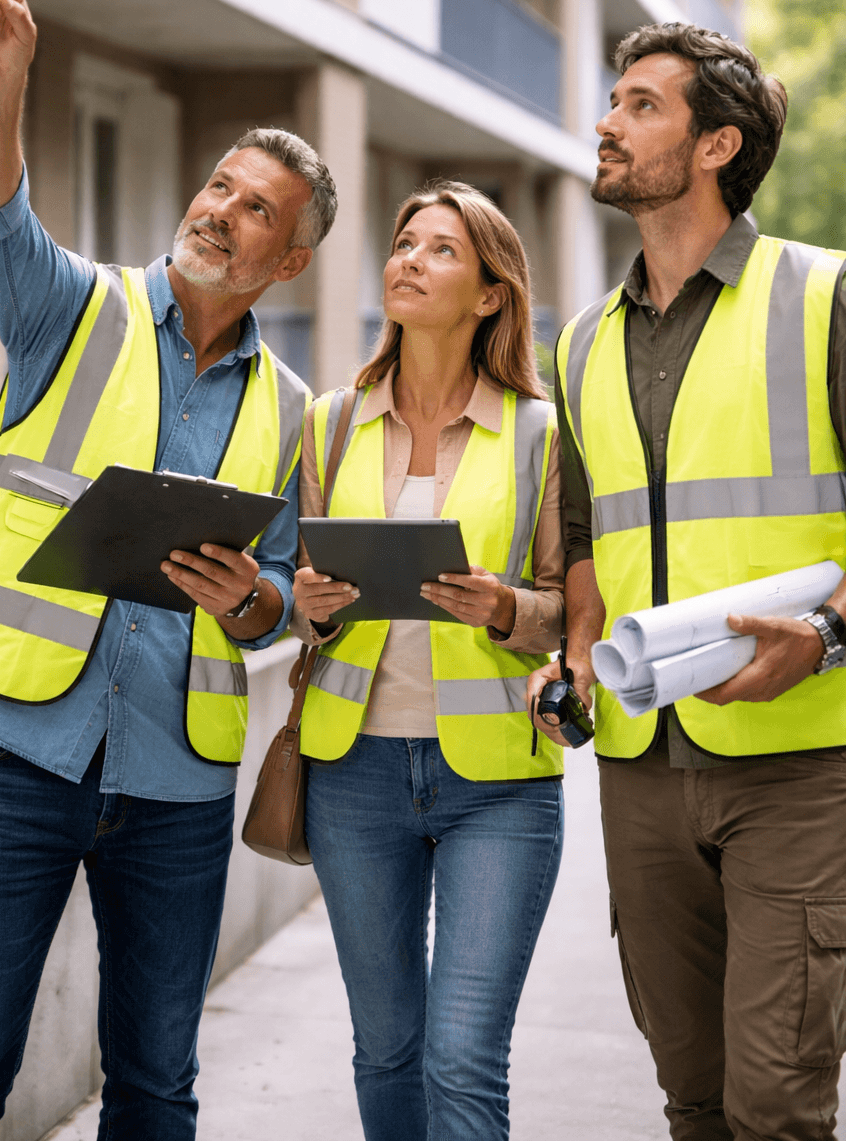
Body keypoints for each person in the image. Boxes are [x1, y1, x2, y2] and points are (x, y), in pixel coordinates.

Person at [0, 0, 337, 1139]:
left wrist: (249, 601)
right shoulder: (70, 306)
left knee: (157, 1083)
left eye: (257, 211)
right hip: (11, 751)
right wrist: (1, 86)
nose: (223, 214)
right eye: (218, 188)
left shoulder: (295, 411)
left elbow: (280, 602)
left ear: (287, 261)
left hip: (175, 783)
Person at [528, 22, 846, 1141]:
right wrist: (574, 652)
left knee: (776, 1103)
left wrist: (825, 634)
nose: (606, 124)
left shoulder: (823, 296)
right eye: (611, 101)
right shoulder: (576, 343)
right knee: (695, 1099)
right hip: (639, 768)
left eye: (639, 106)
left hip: (802, 769)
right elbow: (583, 536)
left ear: (716, 146)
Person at [293, 180, 565, 1141]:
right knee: (388, 1050)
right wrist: (312, 607)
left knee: (461, 1056)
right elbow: (297, 593)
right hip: (354, 775)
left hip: (498, 781)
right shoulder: (331, 422)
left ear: (492, 292)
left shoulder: (540, 433)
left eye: (442, 249)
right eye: (405, 241)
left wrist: (506, 609)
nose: (408, 258)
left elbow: (568, 603)